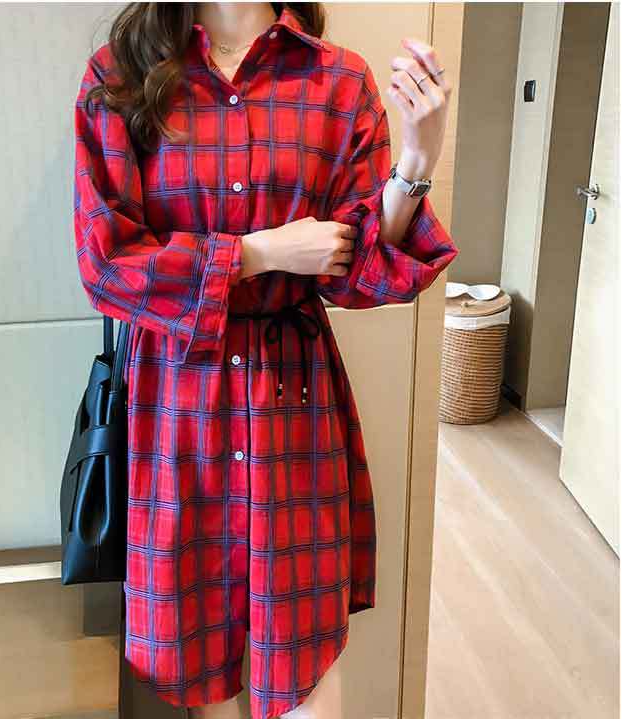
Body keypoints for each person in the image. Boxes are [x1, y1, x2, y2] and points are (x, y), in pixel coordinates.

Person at [73, 3, 458, 718]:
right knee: (200, 664)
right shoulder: (124, 74)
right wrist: (259, 253)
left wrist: (415, 162)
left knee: (304, 664)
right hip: (178, 409)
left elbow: (360, 272)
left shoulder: (335, 81)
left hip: (293, 405)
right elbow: (107, 266)